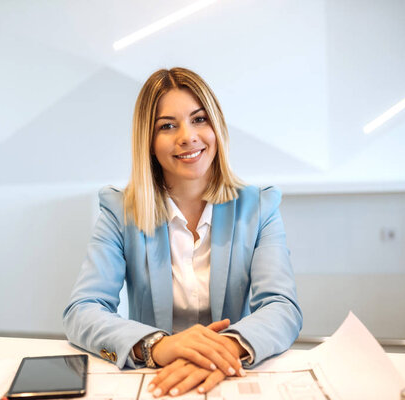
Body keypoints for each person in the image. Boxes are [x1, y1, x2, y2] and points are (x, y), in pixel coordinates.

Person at [63, 67, 302, 397]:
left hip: (230, 379)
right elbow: (82, 311)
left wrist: (225, 348)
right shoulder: (120, 212)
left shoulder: (258, 208)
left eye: (199, 119)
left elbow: (282, 306)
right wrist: (159, 346)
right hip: (155, 382)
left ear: (216, 126)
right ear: (148, 141)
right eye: (167, 126)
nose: (187, 136)